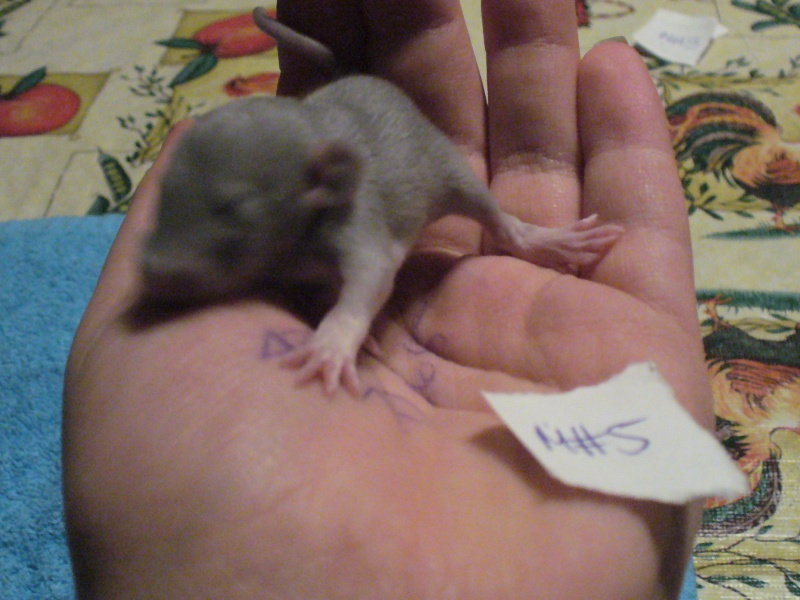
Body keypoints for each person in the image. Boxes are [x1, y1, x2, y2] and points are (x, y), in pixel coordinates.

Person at [63, 0, 712, 597]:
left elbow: (373, 263)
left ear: (325, 185)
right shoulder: (275, 189)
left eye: (230, 221)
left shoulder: (345, 206)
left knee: (462, 185)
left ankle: (516, 229)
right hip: (336, 124)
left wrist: (344, 328)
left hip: (396, 140)